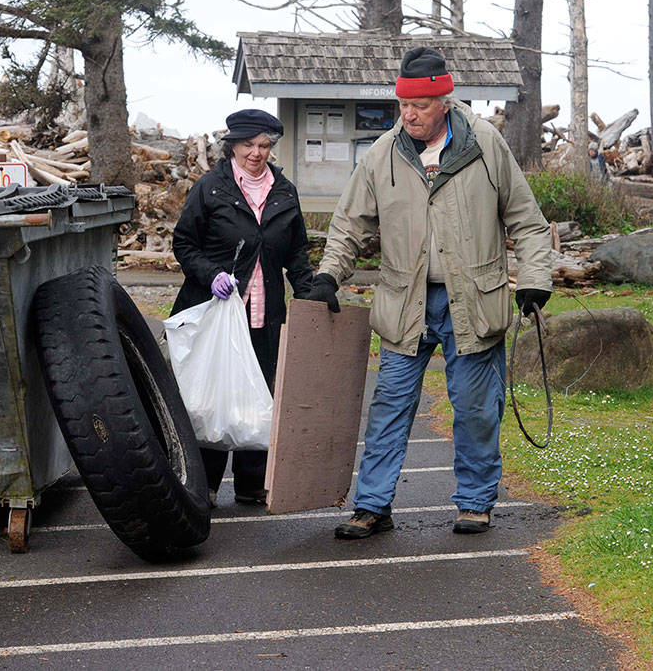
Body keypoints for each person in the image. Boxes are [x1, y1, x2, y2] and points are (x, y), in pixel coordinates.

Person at [302, 47, 553, 537]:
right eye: (402, 105)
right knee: (390, 406)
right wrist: (329, 275)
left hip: (474, 301)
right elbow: (348, 223)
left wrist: (536, 279)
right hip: (405, 303)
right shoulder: (383, 154)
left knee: (477, 408)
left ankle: (476, 501)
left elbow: (527, 220)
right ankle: (373, 505)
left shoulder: (485, 145)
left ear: (444, 100)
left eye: (418, 106)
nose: (408, 115)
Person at [171, 108, 317, 507]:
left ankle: (253, 482)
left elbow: (297, 253)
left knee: (261, 391)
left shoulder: (284, 191)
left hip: (265, 313)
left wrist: (311, 295)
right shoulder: (211, 187)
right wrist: (210, 273)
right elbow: (184, 243)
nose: (257, 153)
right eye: (249, 145)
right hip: (216, 313)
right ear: (232, 146)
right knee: (212, 396)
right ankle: (206, 483)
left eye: (265, 145)